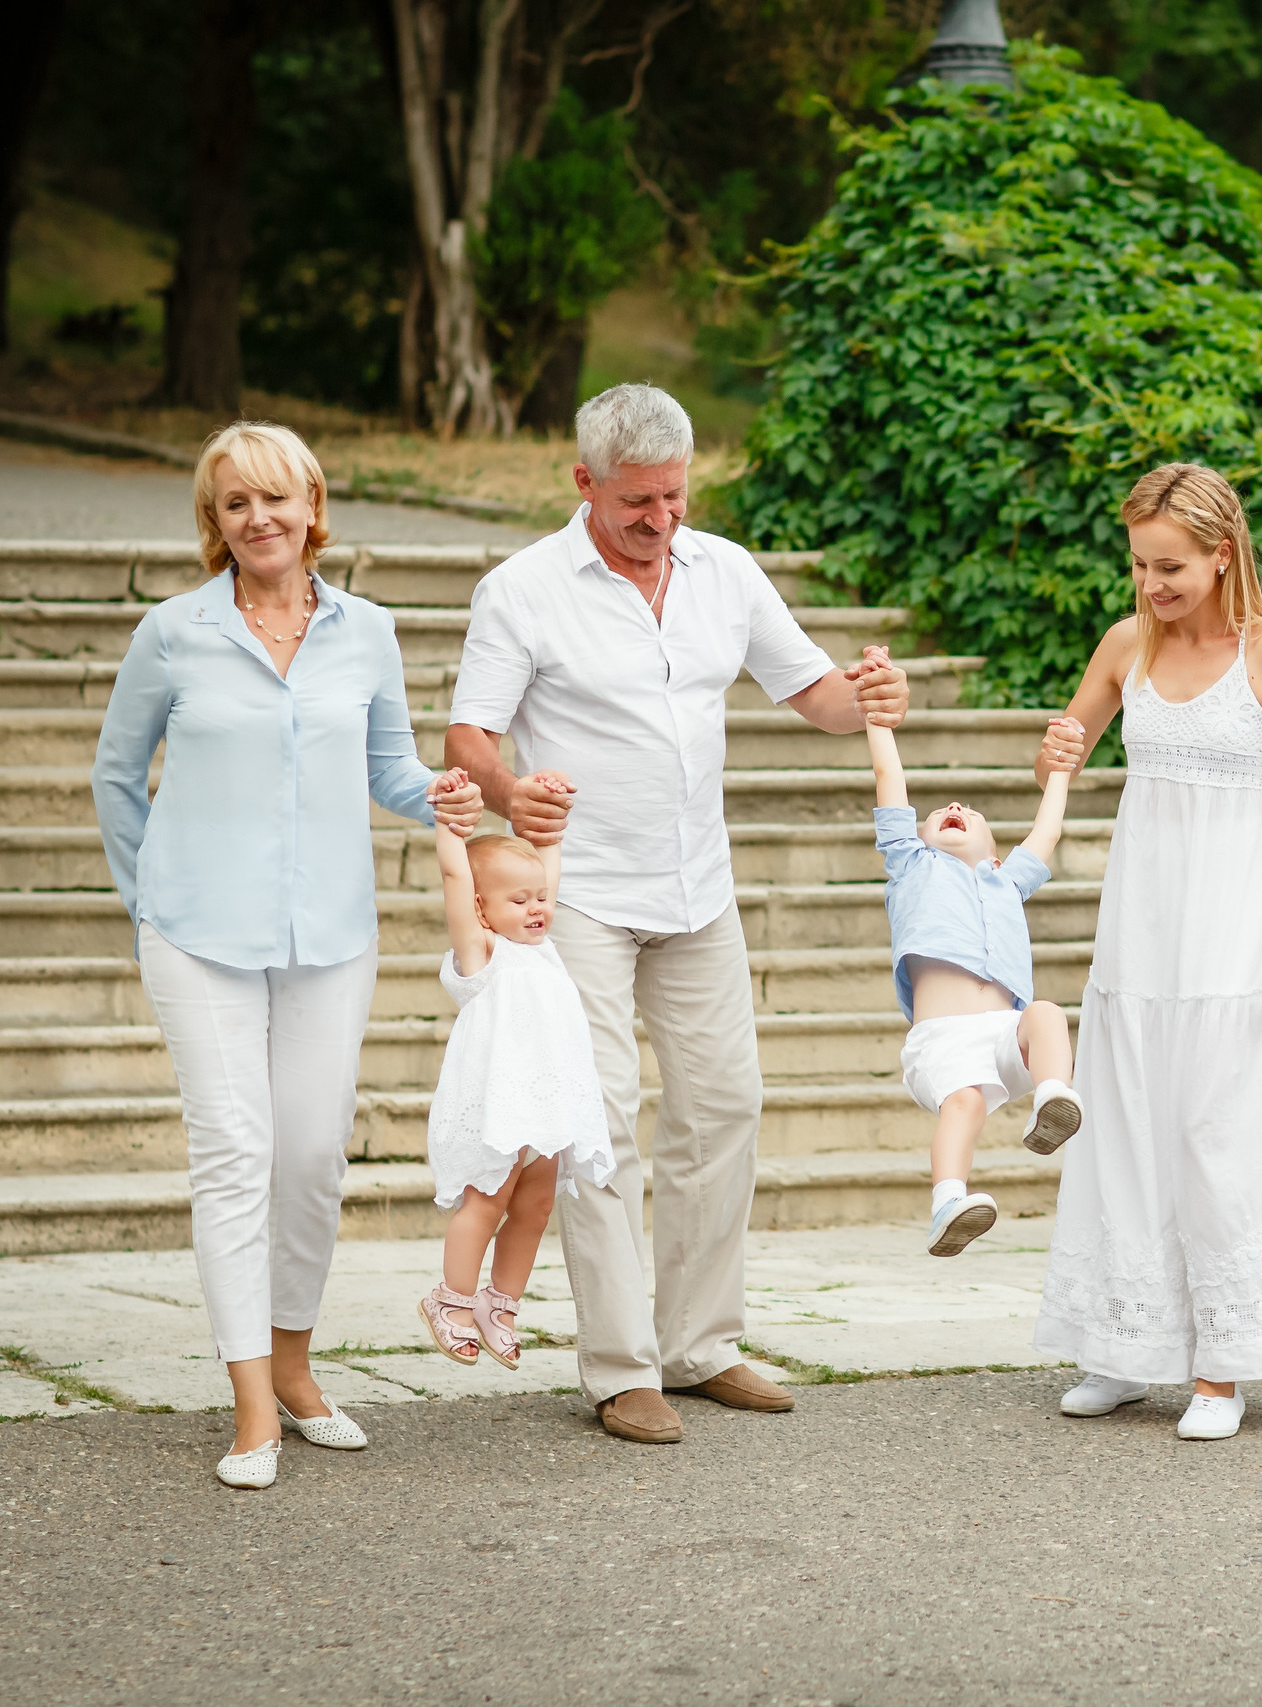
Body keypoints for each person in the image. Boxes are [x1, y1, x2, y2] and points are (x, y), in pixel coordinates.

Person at [444, 384, 907, 1445]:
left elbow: (816, 695)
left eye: (674, 498)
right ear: (584, 485)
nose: (660, 521)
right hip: (579, 897)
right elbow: (470, 737)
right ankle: (619, 1369)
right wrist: (516, 797)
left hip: (700, 887)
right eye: (637, 503)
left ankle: (699, 1345)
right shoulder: (519, 590)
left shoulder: (724, 571)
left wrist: (869, 693)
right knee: (598, 1125)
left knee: (724, 1106)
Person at [92, 421, 483, 1489]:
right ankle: (252, 1407)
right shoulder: (171, 633)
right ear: (214, 525)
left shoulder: (368, 631)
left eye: (277, 499)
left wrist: (447, 795)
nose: (259, 518)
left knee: (310, 1159)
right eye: (235, 504)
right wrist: (145, 904)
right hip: (197, 935)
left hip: (330, 936)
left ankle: (300, 1369)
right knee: (234, 1152)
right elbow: (116, 776)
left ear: (314, 507)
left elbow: (391, 767)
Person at [1030, 462, 1262, 1443]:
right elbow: (1071, 742)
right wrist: (1059, 745)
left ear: (1222, 555)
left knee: (1219, 1131)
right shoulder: (1126, 643)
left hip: (1234, 923)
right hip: (1140, 925)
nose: (1150, 583)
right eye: (1137, 564)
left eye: (1169, 565)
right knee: (1126, 1120)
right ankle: (1126, 1346)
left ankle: (1223, 1363)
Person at [861, 644, 1087, 1256]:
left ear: (993, 850)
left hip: (1004, 1033)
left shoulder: (1006, 880)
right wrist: (878, 722)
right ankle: (948, 1204)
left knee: (1046, 1013)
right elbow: (890, 781)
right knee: (962, 1103)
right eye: (941, 813)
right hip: (943, 1040)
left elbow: (1047, 832)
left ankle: (1051, 1099)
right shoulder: (911, 864)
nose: (953, 809)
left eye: (969, 811)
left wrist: (1062, 768)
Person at [415, 770, 615, 1369]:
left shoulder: (540, 948)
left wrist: (552, 821)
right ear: (480, 908)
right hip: (503, 1106)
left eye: (540, 899)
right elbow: (456, 875)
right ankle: (449, 1300)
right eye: (519, 900)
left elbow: (545, 869)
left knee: (536, 1206)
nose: (537, 908)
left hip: (549, 1105)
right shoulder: (480, 955)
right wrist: (450, 827)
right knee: (489, 1200)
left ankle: (497, 1304)